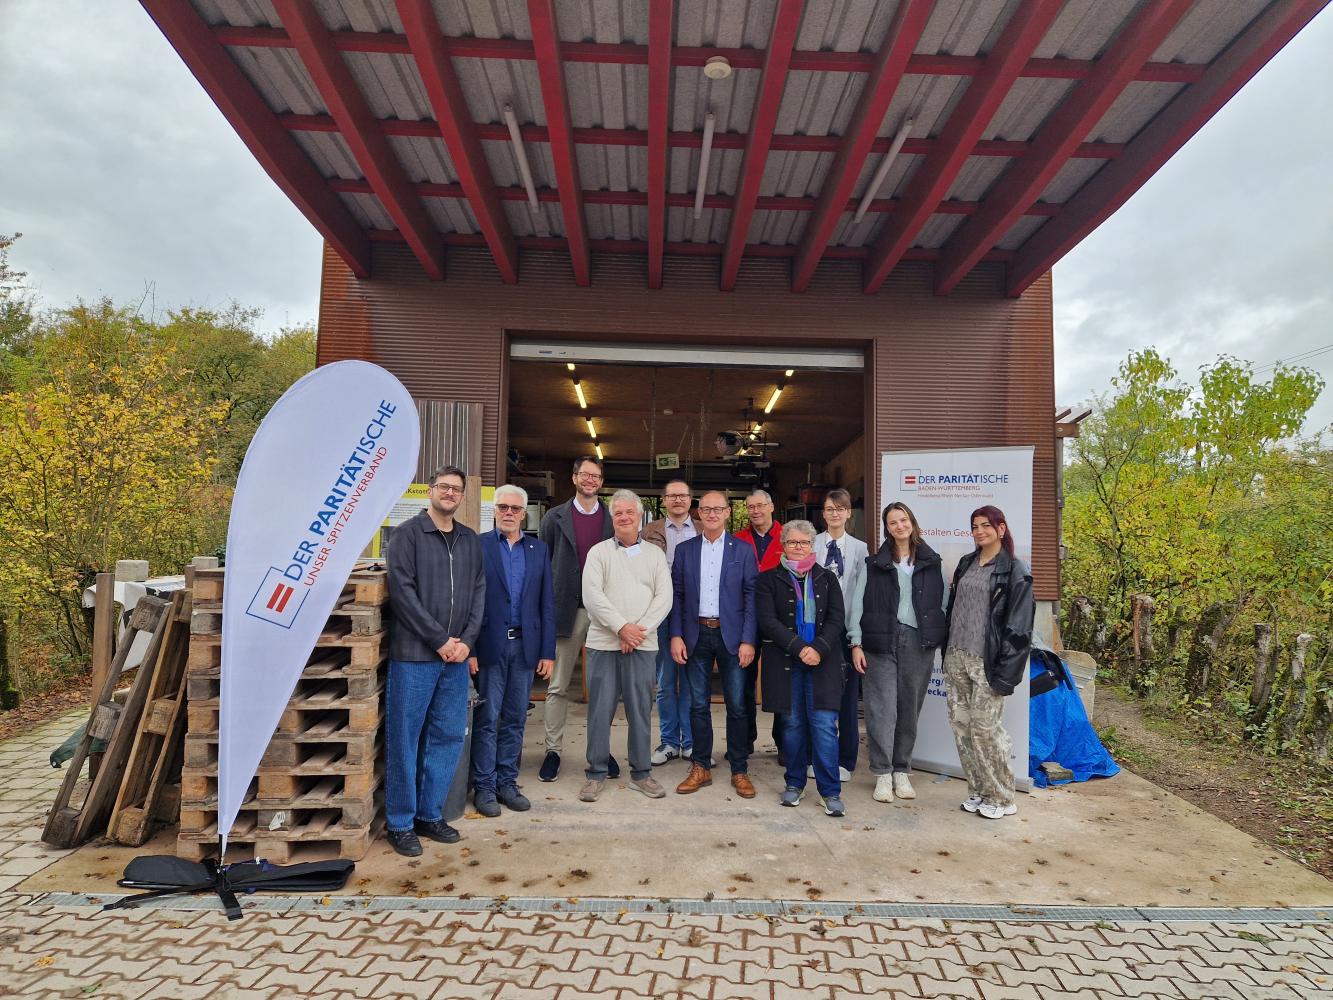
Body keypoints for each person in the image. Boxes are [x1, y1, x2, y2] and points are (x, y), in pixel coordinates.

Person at [384, 465, 486, 856]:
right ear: (430, 490)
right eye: (444, 487)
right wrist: (439, 639)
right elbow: (403, 594)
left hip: (456, 659)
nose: (449, 493)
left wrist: (466, 642)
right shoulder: (407, 535)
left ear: (462, 496)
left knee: (447, 736)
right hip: (415, 656)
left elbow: (478, 592)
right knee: (405, 738)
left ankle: (430, 814)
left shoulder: (469, 539)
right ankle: (400, 822)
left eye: (456, 489)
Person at [848, 501, 946, 803]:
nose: (899, 526)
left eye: (903, 520)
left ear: (912, 523)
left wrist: (934, 635)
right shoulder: (875, 563)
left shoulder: (931, 561)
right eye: (893, 522)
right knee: (881, 710)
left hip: (917, 642)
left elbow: (941, 603)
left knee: (908, 710)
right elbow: (858, 604)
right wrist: (856, 642)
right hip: (880, 642)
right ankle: (882, 773)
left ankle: (902, 770)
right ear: (887, 529)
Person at [578, 490, 673, 802]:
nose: (624, 517)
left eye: (629, 512)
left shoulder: (655, 555)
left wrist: (637, 632)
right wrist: (621, 628)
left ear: (640, 516)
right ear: (612, 518)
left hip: (642, 645)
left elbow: (664, 598)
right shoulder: (598, 553)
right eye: (618, 513)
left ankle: (641, 773)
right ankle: (595, 773)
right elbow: (592, 597)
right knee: (599, 711)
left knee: (640, 711)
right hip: (603, 645)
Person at [468, 484, 556, 817]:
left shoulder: (538, 549)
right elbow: (469, 601)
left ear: (524, 514)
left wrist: (547, 651)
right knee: (488, 718)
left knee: (516, 718)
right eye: (503, 507)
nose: (509, 513)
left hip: (525, 647)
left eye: (515, 508)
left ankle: (507, 782)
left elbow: (546, 603)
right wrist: (470, 648)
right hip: (489, 645)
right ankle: (484, 786)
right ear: (494, 510)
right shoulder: (478, 546)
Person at [943, 505, 1034, 820]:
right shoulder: (967, 562)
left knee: (985, 730)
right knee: (962, 727)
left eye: (986, 525)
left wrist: (1006, 673)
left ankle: (1002, 796)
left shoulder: (1014, 570)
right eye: (975, 526)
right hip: (956, 655)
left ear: (1001, 529)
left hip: (987, 662)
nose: (979, 531)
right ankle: (979, 790)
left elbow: (1020, 629)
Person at [670, 491, 758, 798]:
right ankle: (700, 766)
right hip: (695, 634)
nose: (711, 514)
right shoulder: (685, 550)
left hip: (731, 636)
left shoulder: (743, 550)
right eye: (706, 509)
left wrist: (748, 639)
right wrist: (676, 634)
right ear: (698, 512)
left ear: (727, 513)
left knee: (737, 705)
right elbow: (677, 595)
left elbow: (751, 597)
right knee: (697, 704)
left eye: (717, 509)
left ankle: (739, 769)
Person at [756, 520, 847, 817]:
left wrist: (817, 648)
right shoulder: (768, 580)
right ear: (783, 546)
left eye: (804, 542)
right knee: (792, 726)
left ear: (812, 545)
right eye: (793, 542)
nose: (798, 547)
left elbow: (836, 619)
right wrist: (799, 648)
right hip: (786, 664)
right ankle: (794, 784)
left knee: (824, 727)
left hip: (823, 663)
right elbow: (767, 621)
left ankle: (830, 792)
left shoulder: (827, 578)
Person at [538, 456, 615, 783]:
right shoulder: (554, 518)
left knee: (603, 687)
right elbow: (544, 565)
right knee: (558, 685)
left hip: (602, 612)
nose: (590, 480)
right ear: (574, 478)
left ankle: (600, 750)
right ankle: (553, 750)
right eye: (585, 474)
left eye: (595, 476)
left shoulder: (612, 519)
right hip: (566, 610)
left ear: (601, 482)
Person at [641, 479, 701, 765]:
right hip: (660, 611)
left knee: (689, 681)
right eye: (672, 495)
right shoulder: (649, 531)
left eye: (683, 495)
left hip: (694, 612)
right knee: (665, 681)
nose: (678, 500)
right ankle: (668, 742)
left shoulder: (703, 529)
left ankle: (689, 743)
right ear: (664, 500)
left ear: (690, 500)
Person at [813, 489, 868, 782]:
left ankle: (846, 760)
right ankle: (816, 757)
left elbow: (862, 593)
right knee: (816, 696)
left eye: (840, 509)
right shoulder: (812, 543)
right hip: (816, 630)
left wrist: (856, 635)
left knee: (847, 698)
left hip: (847, 629)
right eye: (829, 509)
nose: (835, 514)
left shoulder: (861, 549)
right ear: (823, 513)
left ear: (848, 513)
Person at [735, 490, 783, 755]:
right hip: (746, 619)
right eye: (750, 507)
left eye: (760, 506)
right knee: (744, 684)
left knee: (780, 682)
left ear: (771, 506)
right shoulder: (737, 540)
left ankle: (783, 743)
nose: (755, 511)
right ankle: (744, 742)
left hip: (780, 619)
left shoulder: (788, 536)